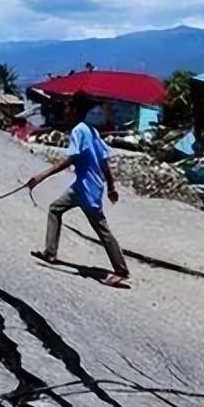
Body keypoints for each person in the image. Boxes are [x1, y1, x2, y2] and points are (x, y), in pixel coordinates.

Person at [26, 92, 130, 287]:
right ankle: (50, 252)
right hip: (83, 187)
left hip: (86, 189)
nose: (65, 111)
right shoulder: (92, 131)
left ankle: (121, 270)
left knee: (101, 228)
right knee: (55, 209)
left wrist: (41, 176)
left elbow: (70, 159)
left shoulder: (78, 131)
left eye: (68, 108)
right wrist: (110, 187)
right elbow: (104, 161)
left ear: (74, 110)